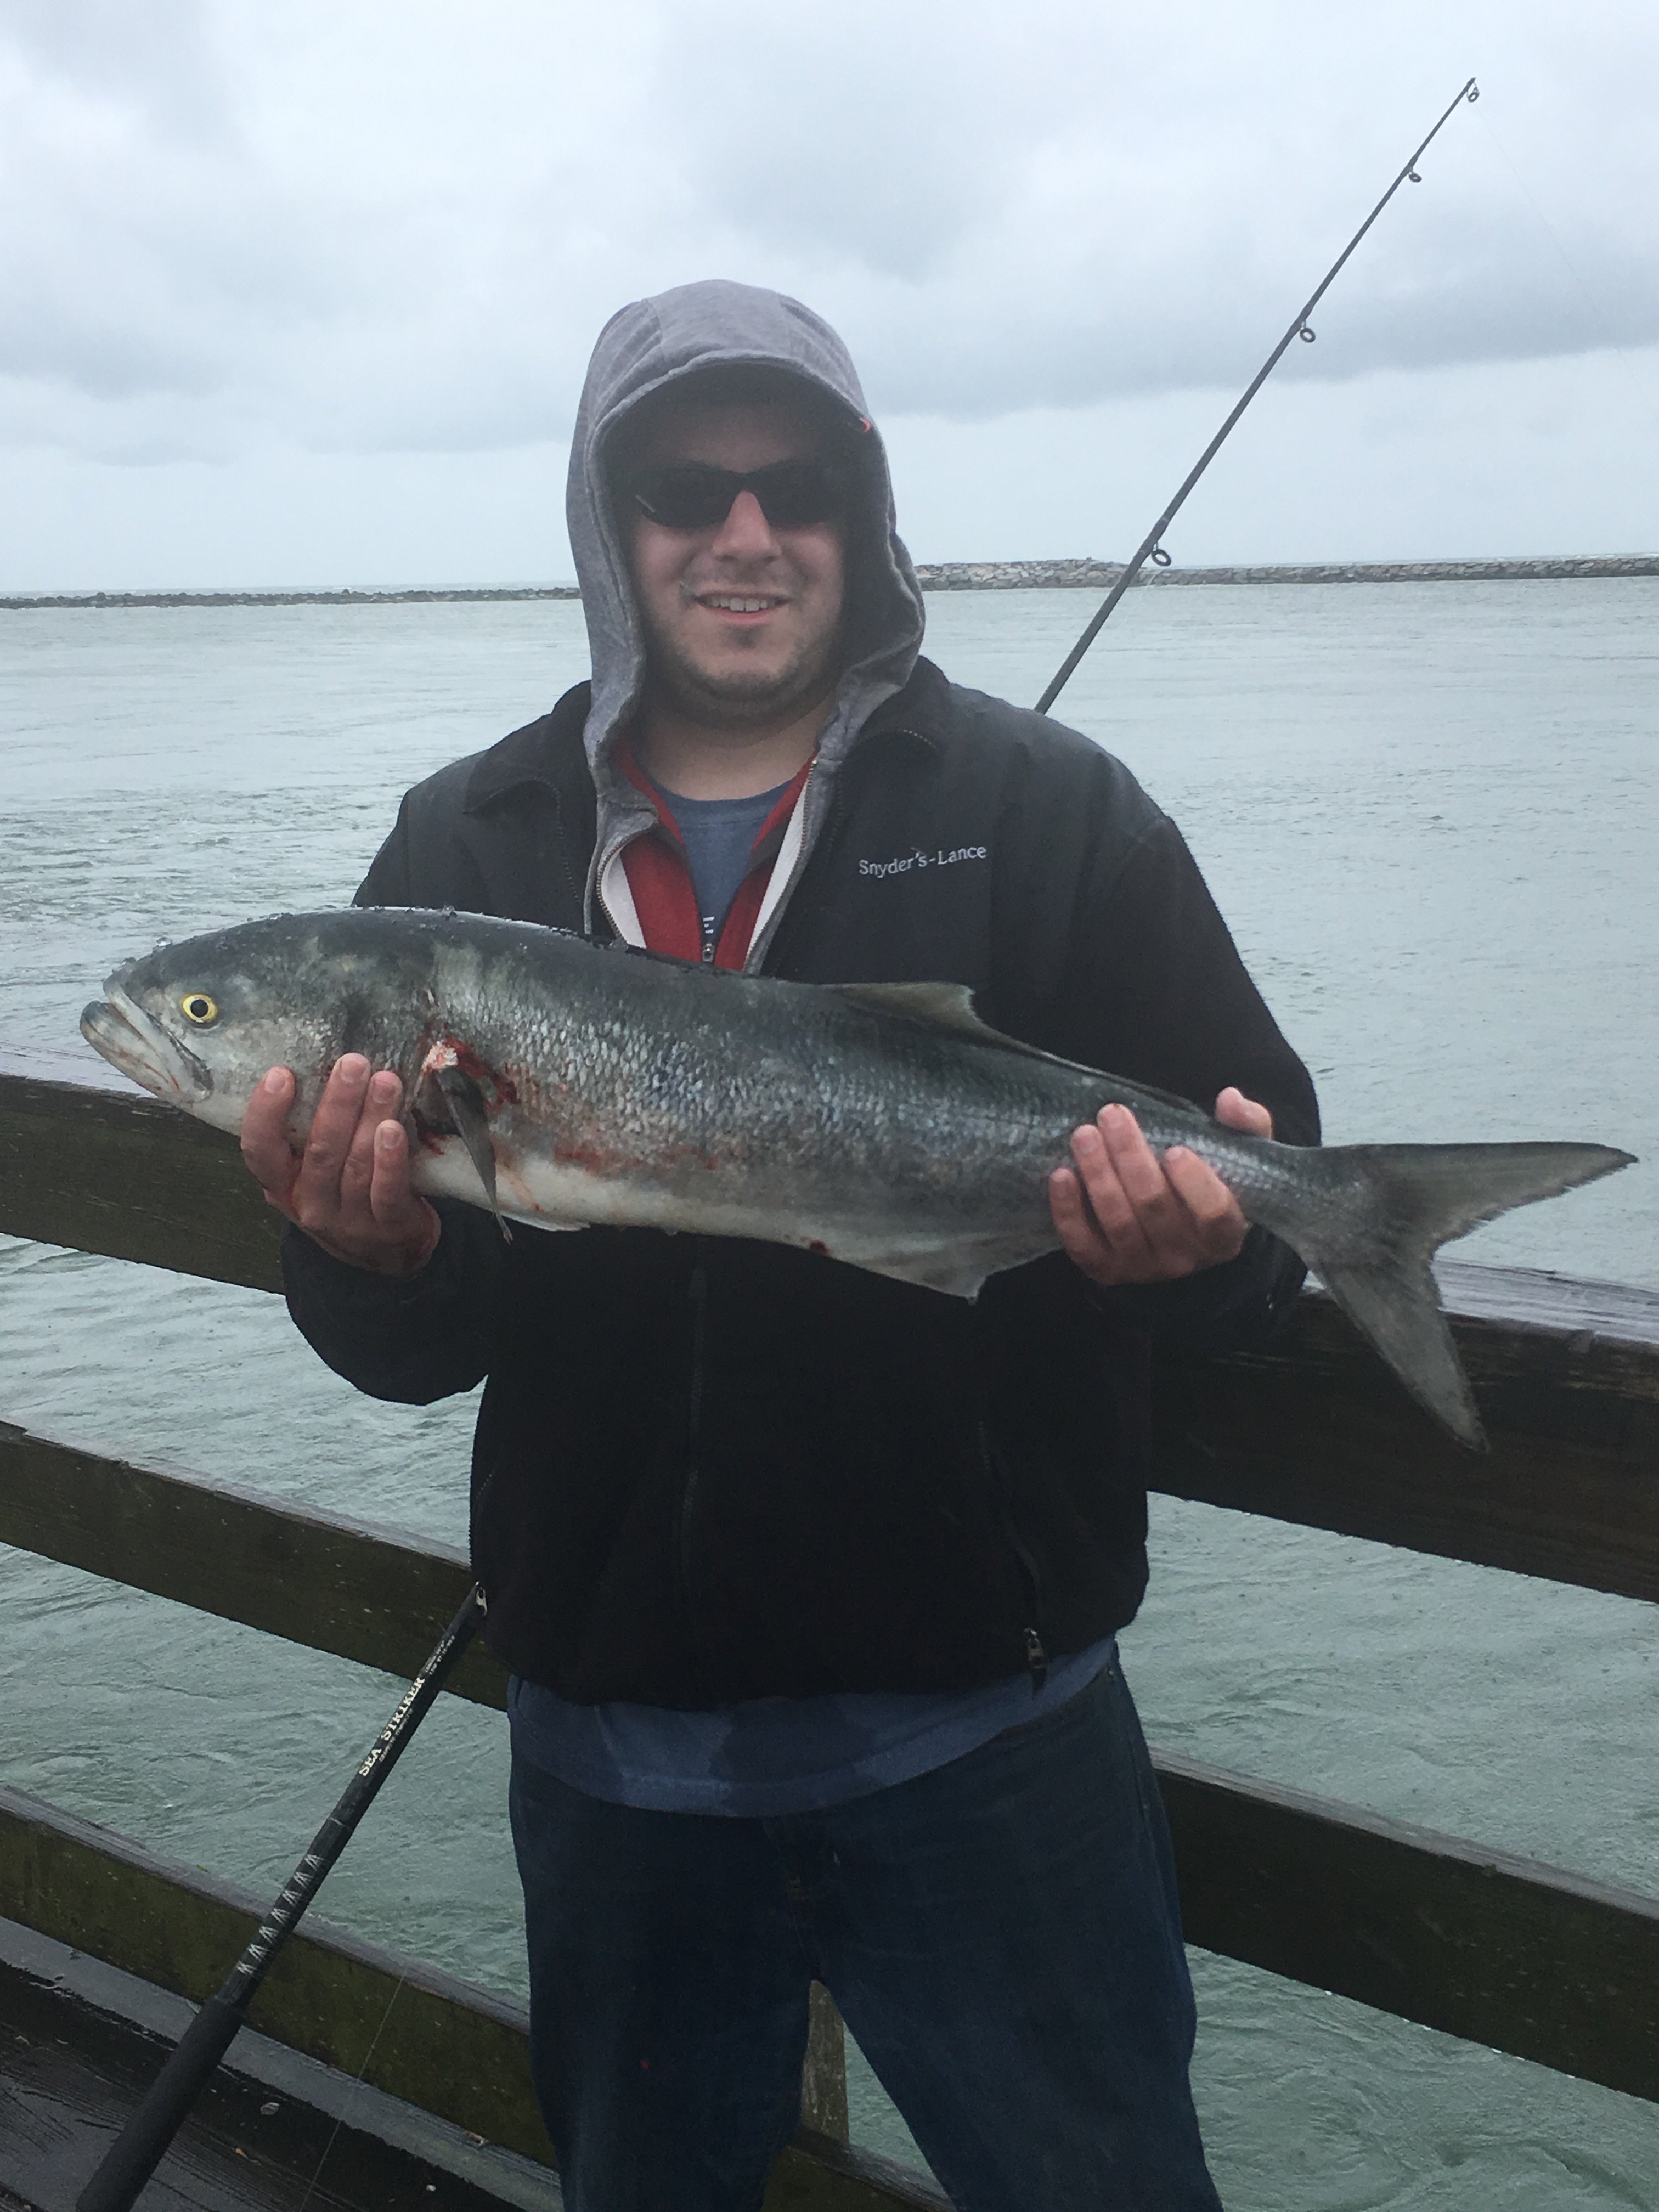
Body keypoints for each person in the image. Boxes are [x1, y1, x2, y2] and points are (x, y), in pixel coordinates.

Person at [241, 279, 1319, 2211]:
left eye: (796, 487)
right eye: (684, 489)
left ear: (861, 511)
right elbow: (424, 1345)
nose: (744, 535)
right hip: (614, 1758)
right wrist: (368, 1257)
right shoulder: (467, 842)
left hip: (996, 1736)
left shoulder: (1047, 813)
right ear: (611, 521)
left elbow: (1268, 1222)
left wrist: (1213, 1252)